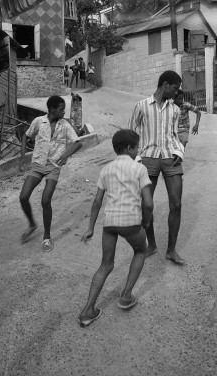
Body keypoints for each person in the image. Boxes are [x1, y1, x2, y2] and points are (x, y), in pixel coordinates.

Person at [78, 129, 153, 328]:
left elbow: (96, 202)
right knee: (141, 250)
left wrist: (90, 228)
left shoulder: (106, 169)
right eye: (137, 146)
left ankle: (87, 311)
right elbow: (148, 203)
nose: (138, 150)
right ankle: (126, 297)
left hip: (109, 223)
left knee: (105, 265)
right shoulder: (139, 169)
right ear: (129, 148)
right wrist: (145, 222)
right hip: (130, 222)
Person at [129, 70, 185, 265]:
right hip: (148, 158)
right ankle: (151, 244)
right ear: (165, 85)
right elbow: (131, 134)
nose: (177, 92)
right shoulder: (141, 106)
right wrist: (135, 159)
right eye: (175, 88)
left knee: (176, 204)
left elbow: (176, 135)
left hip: (171, 158)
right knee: (146, 205)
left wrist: (179, 152)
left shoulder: (175, 110)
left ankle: (171, 250)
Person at [19, 96, 82, 252]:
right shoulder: (39, 122)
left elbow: (78, 142)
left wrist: (66, 154)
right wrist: (22, 159)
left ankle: (46, 237)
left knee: (45, 200)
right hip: (38, 164)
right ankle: (32, 224)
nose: (64, 111)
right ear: (53, 109)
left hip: (54, 166)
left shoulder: (65, 125)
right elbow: (26, 136)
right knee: (23, 196)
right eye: (62, 109)